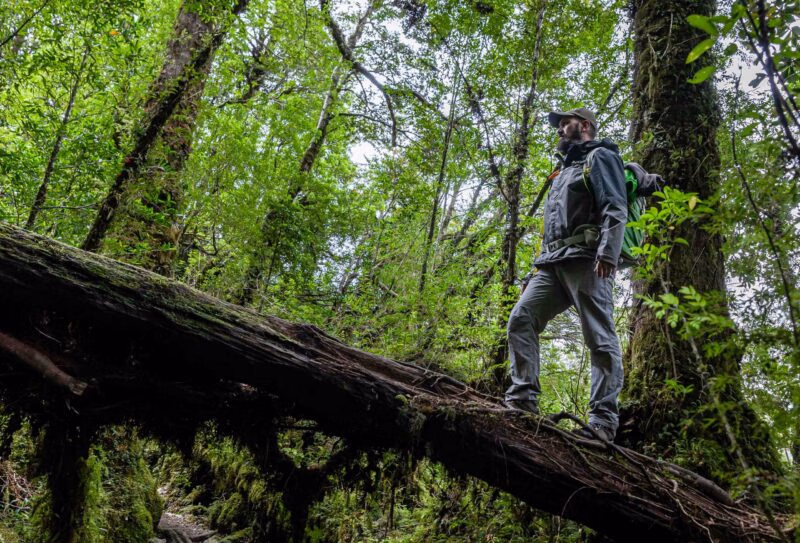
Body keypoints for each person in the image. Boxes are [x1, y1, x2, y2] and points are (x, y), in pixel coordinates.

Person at [504, 107, 626, 442]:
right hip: (551, 264)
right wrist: (534, 271)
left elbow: (615, 206)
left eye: (564, 123)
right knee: (521, 319)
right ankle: (523, 400)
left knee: (599, 338)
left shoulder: (601, 157)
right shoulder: (562, 171)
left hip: (588, 260)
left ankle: (602, 423)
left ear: (584, 125)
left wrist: (608, 252)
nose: (559, 129)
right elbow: (551, 229)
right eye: (557, 126)